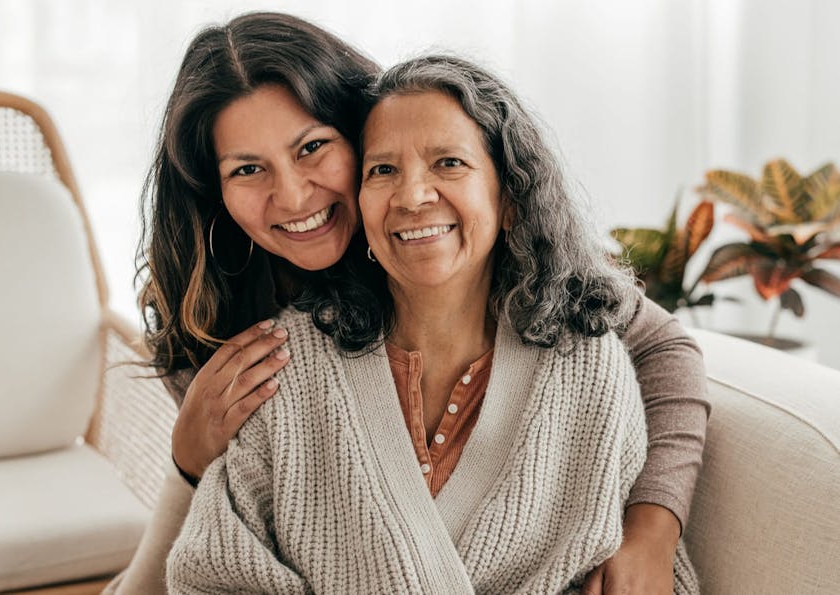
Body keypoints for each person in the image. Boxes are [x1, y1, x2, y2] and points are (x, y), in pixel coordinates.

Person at [107, 12, 709, 595]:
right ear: (216, 191)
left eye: (314, 147)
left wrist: (651, 528)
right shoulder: (225, 331)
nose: (291, 195)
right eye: (247, 169)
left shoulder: (546, 312)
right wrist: (187, 462)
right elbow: (210, 562)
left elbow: (661, 346)